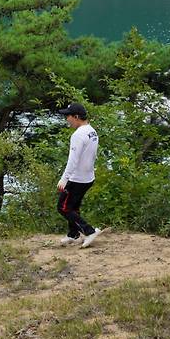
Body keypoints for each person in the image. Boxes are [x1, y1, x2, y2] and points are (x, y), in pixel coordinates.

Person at [57, 103, 103, 248]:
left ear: (76, 117)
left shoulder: (78, 135)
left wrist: (64, 178)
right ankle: (73, 234)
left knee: (63, 208)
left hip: (77, 179)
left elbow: (73, 160)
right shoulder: (92, 131)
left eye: (68, 116)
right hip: (88, 177)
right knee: (73, 206)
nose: (67, 119)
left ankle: (89, 231)